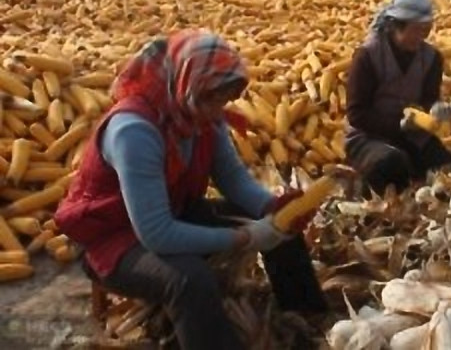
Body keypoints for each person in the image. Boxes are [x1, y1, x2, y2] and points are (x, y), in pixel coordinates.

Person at [54, 30, 327, 350]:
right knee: (189, 280)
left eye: (224, 101)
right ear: (185, 84)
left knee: (283, 227)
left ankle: (308, 321)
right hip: (112, 238)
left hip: (173, 211)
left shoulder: (201, 116)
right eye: (212, 99)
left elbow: (233, 178)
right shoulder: (134, 132)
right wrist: (246, 237)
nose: (218, 111)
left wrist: (272, 209)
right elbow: (156, 234)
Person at [345, 0, 451, 196]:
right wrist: (397, 125)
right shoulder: (367, 57)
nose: (422, 37)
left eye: (426, 30)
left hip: (413, 136)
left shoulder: (432, 58)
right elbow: (356, 114)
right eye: (417, 30)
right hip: (369, 137)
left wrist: (436, 110)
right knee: (392, 164)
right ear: (395, 26)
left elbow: (429, 100)